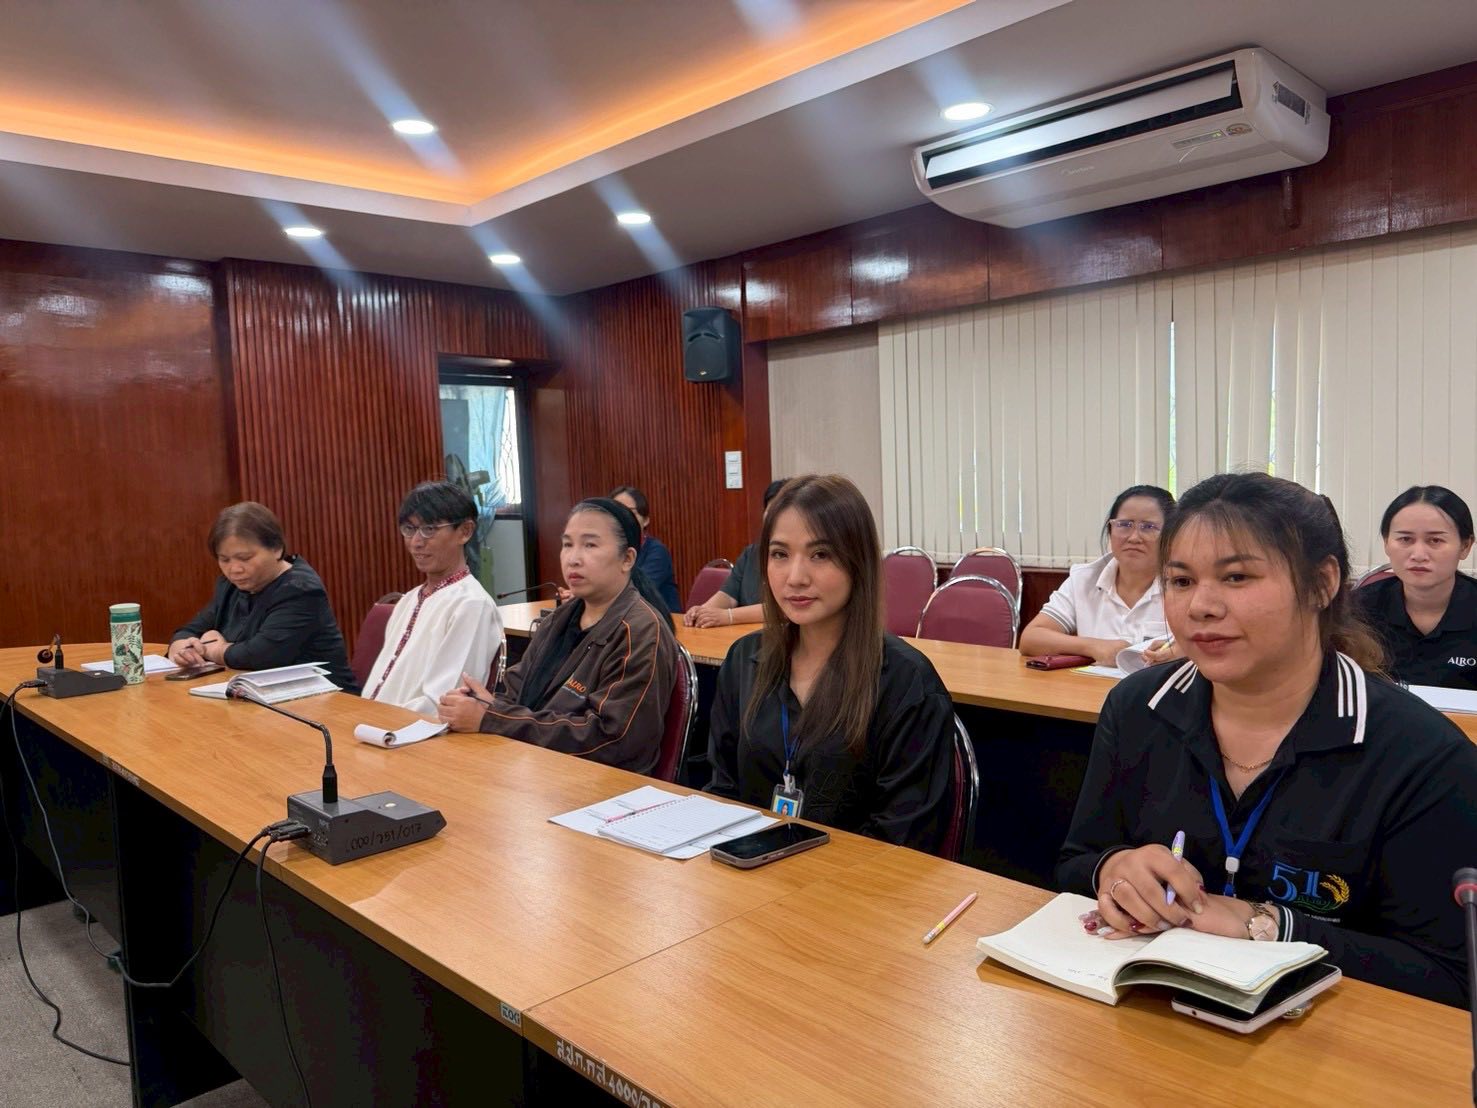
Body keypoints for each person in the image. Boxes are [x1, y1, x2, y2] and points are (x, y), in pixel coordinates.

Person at [1057, 472, 1477, 1008]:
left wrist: (1271, 925)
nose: (1200, 607)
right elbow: (1076, 860)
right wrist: (1112, 868)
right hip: (1152, 1024)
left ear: (1323, 584)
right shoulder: (1138, 708)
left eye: (1236, 578)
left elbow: (1450, 974)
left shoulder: (1421, 755)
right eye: (1181, 581)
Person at [705, 474, 954, 852]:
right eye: (779, 554)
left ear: (859, 563)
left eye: (820, 555)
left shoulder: (906, 682)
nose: (796, 577)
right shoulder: (743, 661)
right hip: (749, 884)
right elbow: (722, 792)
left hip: (855, 896)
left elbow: (902, 842)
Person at [437, 498, 676, 775]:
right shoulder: (559, 619)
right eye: (567, 544)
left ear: (627, 559)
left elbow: (612, 740)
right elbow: (515, 691)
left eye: (590, 545)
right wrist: (479, 702)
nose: (573, 558)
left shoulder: (640, 631)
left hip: (597, 787)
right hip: (536, 769)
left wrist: (493, 718)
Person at [169, 502, 356, 691]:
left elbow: (260, 655)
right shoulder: (230, 586)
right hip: (262, 698)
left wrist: (213, 650)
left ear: (276, 548)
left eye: (245, 558)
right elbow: (190, 629)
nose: (234, 569)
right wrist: (184, 649)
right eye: (224, 560)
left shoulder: (301, 590)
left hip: (327, 702)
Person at [362, 481, 503, 717]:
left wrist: (373, 721)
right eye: (409, 529)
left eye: (429, 529)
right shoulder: (408, 600)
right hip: (373, 726)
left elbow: (442, 704)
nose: (416, 542)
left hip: (410, 739)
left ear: (465, 531)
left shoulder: (471, 605)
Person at [1019, 485, 1177, 665]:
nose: (1134, 537)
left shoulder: (1183, 584)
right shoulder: (1084, 578)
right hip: (1090, 689)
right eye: (1124, 525)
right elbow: (1031, 638)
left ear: (1171, 535)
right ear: (1110, 531)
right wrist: (1094, 646)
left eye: (1148, 527)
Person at [1357, 485, 1477, 690]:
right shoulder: (1358, 609)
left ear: (1465, 546)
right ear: (1387, 543)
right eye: (1405, 539)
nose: (1419, 554)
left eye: (1435, 540)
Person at [684, 478, 788, 628]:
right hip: (744, 638)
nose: (773, 517)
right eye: (770, 510)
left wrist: (729, 616)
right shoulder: (751, 553)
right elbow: (728, 595)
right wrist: (703, 611)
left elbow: (785, 608)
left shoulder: (798, 558)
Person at [610, 486, 681, 613]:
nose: (623, 517)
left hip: (658, 623)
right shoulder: (609, 551)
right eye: (617, 512)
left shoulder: (657, 551)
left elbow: (636, 592)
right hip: (621, 618)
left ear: (646, 520)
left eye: (631, 512)